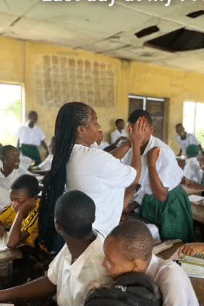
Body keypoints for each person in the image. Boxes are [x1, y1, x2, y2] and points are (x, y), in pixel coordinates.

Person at [39, 102, 147, 252]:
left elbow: (106, 161)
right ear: (81, 129)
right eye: (95, 122)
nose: (98, 127)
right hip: (99, 237)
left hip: (79, 234)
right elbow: (134, 176)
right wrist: (136, 145)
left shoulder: (70, 153)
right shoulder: (94, 157)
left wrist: (128, 143)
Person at [0, 190, 110, 306]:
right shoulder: (79, 241)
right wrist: (3, 295)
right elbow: (51, 280)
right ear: (93, 218)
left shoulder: (98, 272)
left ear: (57, 225)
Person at [72, 220, 201, 306]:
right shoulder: (129, 273)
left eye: (110, 261)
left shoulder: (170, 277)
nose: (103, 264)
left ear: (135, 264)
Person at [122, 110, 193, 243]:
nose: (134, 134)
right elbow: (132, 179)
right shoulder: (132, 150)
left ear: (151, 130)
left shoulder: (162, 152)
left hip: (169, 204)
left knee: (172, 245)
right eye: (131, 129)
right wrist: (132, 202)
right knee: (152, 244)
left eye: (140, 129)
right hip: (149, 202)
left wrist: (151, 164)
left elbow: (161, 195)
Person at [0, 174, 40, 249]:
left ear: (34, 199)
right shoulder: (14, 205)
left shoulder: (38, 212)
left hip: (32, 253)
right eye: (12, 200)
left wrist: (20, 213)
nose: (14, 205)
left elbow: (11, 243)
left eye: (19, 201)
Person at [0, 146, 27, 210]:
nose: (17, 159)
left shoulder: (22, 175)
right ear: (2, 158)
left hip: (12, 211)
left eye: (18, 156)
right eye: (13, 156)